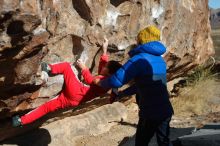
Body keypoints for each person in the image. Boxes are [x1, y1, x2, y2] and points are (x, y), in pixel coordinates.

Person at [12, 38, 122, 127]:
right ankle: (21, 121)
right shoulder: (110, 81)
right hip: (75, 100)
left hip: (77, 90)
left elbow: (90, 80)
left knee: (66, 67)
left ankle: (48, 68)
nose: (104, 66)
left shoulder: (104, 81)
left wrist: (84, 68)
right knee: (46, 107)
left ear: (109, 73)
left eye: (106, 67)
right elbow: (104, 64)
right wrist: (104, 49)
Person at [94, 26, 174, 146]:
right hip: (165, 110)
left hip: (150, 113)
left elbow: (117, 80)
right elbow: (142, 85)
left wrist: (100, 83)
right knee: (164, 142)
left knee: (141, 143)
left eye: (138, 40)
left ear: (142, 41)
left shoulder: (138, 59)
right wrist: (122, 94)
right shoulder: (160, 60)